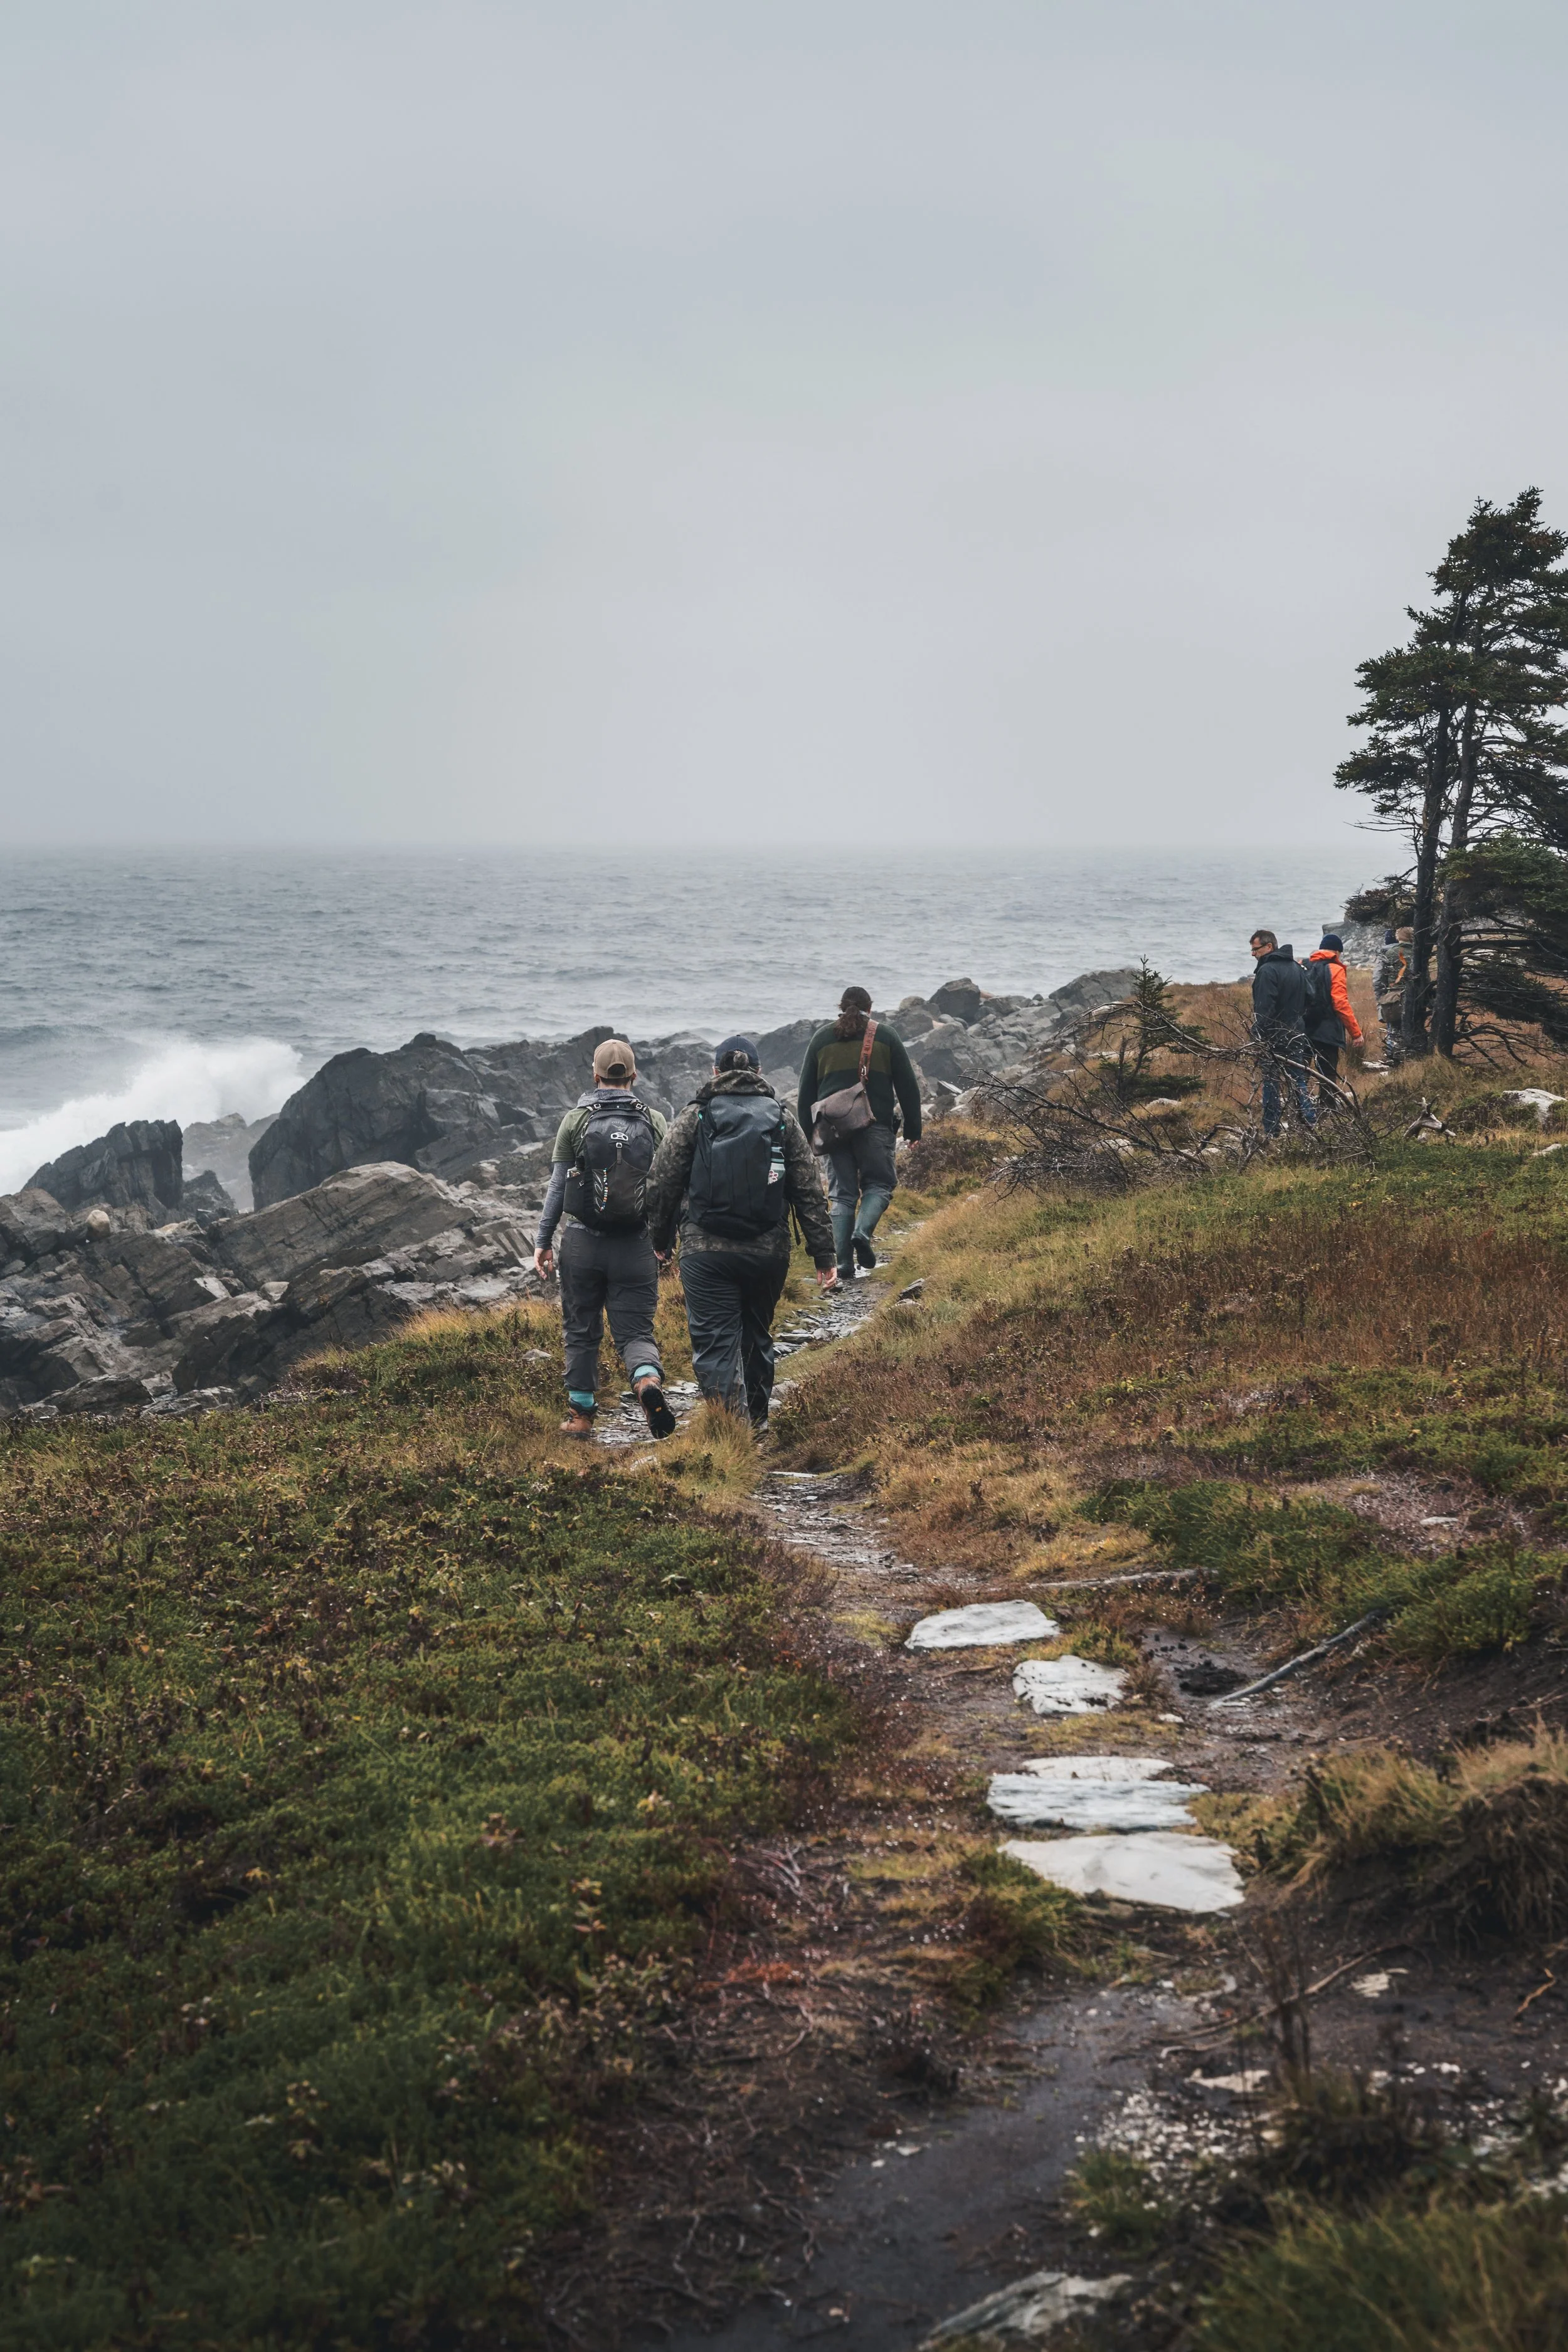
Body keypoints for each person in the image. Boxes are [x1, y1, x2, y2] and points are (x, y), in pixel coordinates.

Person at [646, 1036, 838, 1430]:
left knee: (716, 1341)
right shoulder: (782, 1117)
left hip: (705, 1249)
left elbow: (663, 1182)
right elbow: (808, 1189)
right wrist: (824, 1254)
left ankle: (734, 1430)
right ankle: (759, 1420)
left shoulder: (695, 1115)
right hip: (768, 1250)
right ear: (759, 1071)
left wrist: (660, 1242)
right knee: (756, 1334)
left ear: (715, 1072)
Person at [532, 1037, 677, 1441]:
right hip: (635, 1244)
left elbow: (557, 1189)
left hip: (582, 1244)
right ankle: (647, 1382)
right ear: (634, 1076)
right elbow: (668, 1188)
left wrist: (544, 1241)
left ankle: (581, 1416)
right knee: (635, 1332)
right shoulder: (654, 1121)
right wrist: (665, 1240)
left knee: (581, 1329)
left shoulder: (576, 1121)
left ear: (595, 1076)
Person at [797, 987, 923, 1283]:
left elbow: (805, 1095)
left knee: (841, 1195)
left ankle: (843, 1266)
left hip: (832, 1130)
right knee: (879, 1184)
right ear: (871, 1007)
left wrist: (808, 1134)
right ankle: (862, 1234)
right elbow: (908, 1086)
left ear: (841, 1007)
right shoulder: (886, 1036)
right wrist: (913, 1129)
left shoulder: (821, 1038)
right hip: (874, 1125)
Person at [1249, 931, 1317, 1138]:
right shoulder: (1296, 967)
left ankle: (1272, 1130)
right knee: (1298, 1079)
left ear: (1269, 947)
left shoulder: (1267, 971)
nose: (1253, 954)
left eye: (1255, 949)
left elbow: (1264, 1008)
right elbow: (1310, 996)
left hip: (1273, 1035)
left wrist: (1258, 1036)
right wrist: (1296, 1017)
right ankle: (1310, 1122)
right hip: (1296, 1031)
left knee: (1271, 1082)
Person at [1304, 933, 1364, 1083]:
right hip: (1327, 1031)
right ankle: (1327, 1106)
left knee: (1301, 1074)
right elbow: (1340, 1003)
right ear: (1337, 952)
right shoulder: (1335, 969)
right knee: (1328, 1077)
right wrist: (1356, 1033)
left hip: (1303, 1028)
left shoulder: (1304, 966)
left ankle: (1300, 1105)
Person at [1374, 925, 1415, 1066]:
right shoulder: (1417, 953)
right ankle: (1413, 1057)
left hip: (1393, 998)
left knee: (1393, 1030)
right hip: (1415, 997)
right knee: (1414, 1028)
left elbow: (1379, 980)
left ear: (1399, 938)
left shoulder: (1390, 953)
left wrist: (1380, 1000)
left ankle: (1396, 1060)